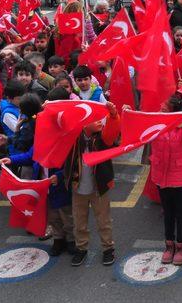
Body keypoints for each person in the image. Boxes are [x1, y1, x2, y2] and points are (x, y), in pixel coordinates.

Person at [64, 102, 120, 267]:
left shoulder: (102, 138)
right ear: (83, 121)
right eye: (95, 119)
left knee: (104, 221)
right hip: (77, 186)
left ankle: (108, 248)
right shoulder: (73, 137)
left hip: (99, 187)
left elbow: (112, 131)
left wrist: (114, 115)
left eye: (101, 120)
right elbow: (58, 127)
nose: (99, 122)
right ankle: (81, 248)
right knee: (79, 221)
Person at [149, 96, 182, 265]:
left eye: (164, 109)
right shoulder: (156, 123)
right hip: (160, 175)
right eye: (161, 108)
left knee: (180, 212)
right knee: (167, 212)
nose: (161, 110)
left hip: (179, 176)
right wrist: (127, 112)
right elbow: (140, 130)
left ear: (173, 111)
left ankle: (180, 246)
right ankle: (168, 245)